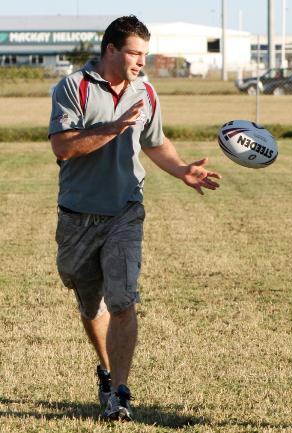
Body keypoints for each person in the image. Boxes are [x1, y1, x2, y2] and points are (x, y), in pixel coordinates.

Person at [48, 15, 222, 421]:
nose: (142, 62)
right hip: (77, 215)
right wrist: (111, 127)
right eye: (135, 53)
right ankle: (107, 371)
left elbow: (154, 141)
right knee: (90, 305)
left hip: (126, 210)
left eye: (145, 54)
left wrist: (181, 170)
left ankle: (120, 394)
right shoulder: (74, 87)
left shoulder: (145, 91)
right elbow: (62, 147)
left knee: (123, 299)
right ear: (111, 49)